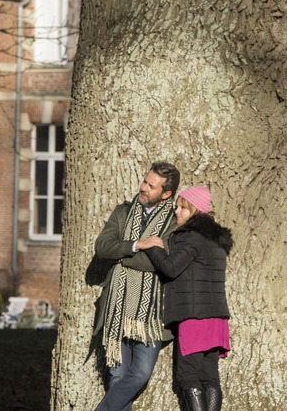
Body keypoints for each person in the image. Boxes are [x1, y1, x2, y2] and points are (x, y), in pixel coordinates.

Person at [91, 160, 181, 411]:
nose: (143, 188)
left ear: (166, 194)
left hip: (151, 313)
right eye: (144, 181)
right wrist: (137, 245)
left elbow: (163, 262)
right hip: (116, 309)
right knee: (117, 378)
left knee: (140, 373)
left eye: (151, 186)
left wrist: (121, 258)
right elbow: (102, 247)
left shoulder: (173, 222)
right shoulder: (123, 212)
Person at [136, 185, 232, 411]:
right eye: (177, 206)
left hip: (194, 316)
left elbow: (171, 268)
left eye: (183, 208)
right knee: (209, 375)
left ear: (196, 210)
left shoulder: (190, 236)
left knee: (187, 375)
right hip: (217, 318)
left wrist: (153, 248)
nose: (176, 211)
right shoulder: (215, 239)